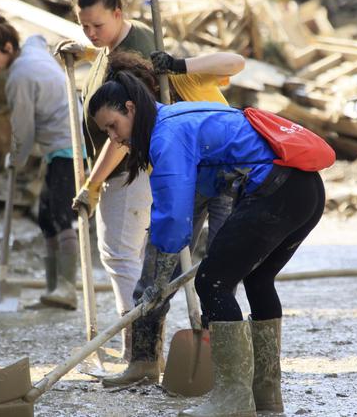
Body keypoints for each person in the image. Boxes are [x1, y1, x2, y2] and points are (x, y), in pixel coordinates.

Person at [87, 71, 326, 415]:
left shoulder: (165, 135)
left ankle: (231, 399)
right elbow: (203, 188)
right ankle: (266, 398)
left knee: (212, 283)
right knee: (257, 280)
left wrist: (158, 281)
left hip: (276, 191)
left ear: (130, 108)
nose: (115, 138)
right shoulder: (176, 118)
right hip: (306, 190)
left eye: (113, 126)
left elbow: (172, 216)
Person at [95, 50, 247, 387]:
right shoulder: (142, 121)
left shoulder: (176, 84)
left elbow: (236, 61)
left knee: (219, 274)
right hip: (190, 178)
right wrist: (92, 184)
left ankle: (217, 369)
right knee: (153, 270)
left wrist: (181, 65)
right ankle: (144, 360)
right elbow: (170, 216)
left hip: (230, 173)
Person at [56, 0, 157, 335]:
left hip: (129, 169)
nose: (91, 33)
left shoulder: (136, 47)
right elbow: (113, 60)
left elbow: (125, 135)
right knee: (126, 256)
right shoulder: (114, 45)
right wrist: (87, 53)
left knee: (122, 256)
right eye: (84, 26)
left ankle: (137, 345)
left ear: (117, 12)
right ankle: (138, 343)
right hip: (123, 170)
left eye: (97, 25)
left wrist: (92, 183)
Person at [0, 14, 80, 309]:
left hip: (68, 146)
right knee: (46, 217)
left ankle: (67, 290)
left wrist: (16, 160)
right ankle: (53, 290)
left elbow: (23, 129)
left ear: (8, 47)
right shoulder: (32, 51)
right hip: (60, 145)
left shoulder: (20, 76)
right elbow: (38, 38)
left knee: (61, 215)